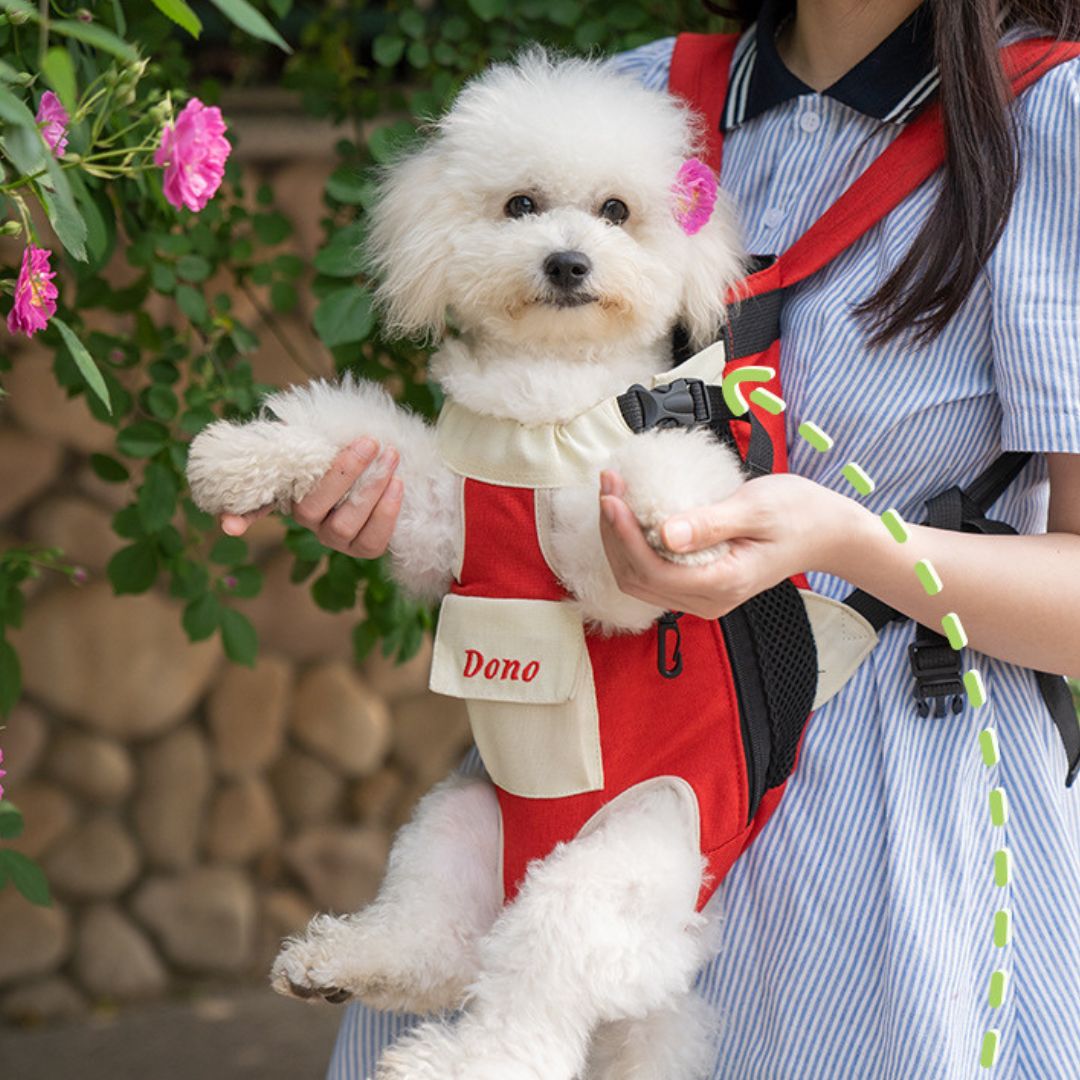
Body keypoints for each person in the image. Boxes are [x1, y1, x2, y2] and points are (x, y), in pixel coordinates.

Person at [224, 1, 1080, 1075]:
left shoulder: (1048, 119)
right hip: (587, 764)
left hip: (880, 819)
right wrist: (420, 515)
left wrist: (846, 540)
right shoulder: (636, 95)